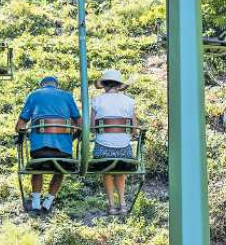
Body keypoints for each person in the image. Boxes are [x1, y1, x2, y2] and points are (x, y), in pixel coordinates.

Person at [15, 76, 80, 213]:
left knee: (38, 167)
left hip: (40, 150)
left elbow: (19, 126)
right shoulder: (67, 96)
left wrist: (29, 136)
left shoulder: (34, 95)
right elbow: (80, 124)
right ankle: (48, 202)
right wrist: (70, 136)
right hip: (64, 152)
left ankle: (36, 203)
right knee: (60, 169)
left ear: (42, 85)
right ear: (56, 85)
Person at [91, 68, 137, 215]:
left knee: (107, 170)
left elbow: (92, 127)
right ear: (119, 85)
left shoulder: (97, 101)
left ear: (104, 85)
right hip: (124, 150)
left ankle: (111, 205)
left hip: (102, 151)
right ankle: (123, 204)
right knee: (120, 168)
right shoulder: (129, 101)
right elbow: (134, 128)